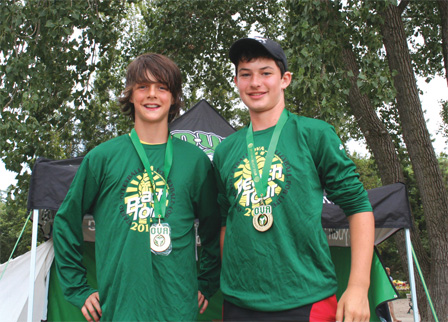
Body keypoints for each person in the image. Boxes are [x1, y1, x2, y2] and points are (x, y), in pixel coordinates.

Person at [213, 37, 375, 322]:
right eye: (245, 74)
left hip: (306, 298)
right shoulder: (226, 150)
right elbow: (226, 221)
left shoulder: (314, 134)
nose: (255, 83)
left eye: (266, 73)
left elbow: (358, 207)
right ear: (236, 82)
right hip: (239, 303)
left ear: (285, 79)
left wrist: (359, 287)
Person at [53, 53, 220, 321]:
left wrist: (207, 282)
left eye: (162, 87)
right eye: (143, 87)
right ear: (131, 95)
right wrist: (78, 288)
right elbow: (65, 221)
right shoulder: (103, 158)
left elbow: (214, 229)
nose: (152, 95)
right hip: (120, 310)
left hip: (178, 311)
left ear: (174, 97)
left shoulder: (195, 161)